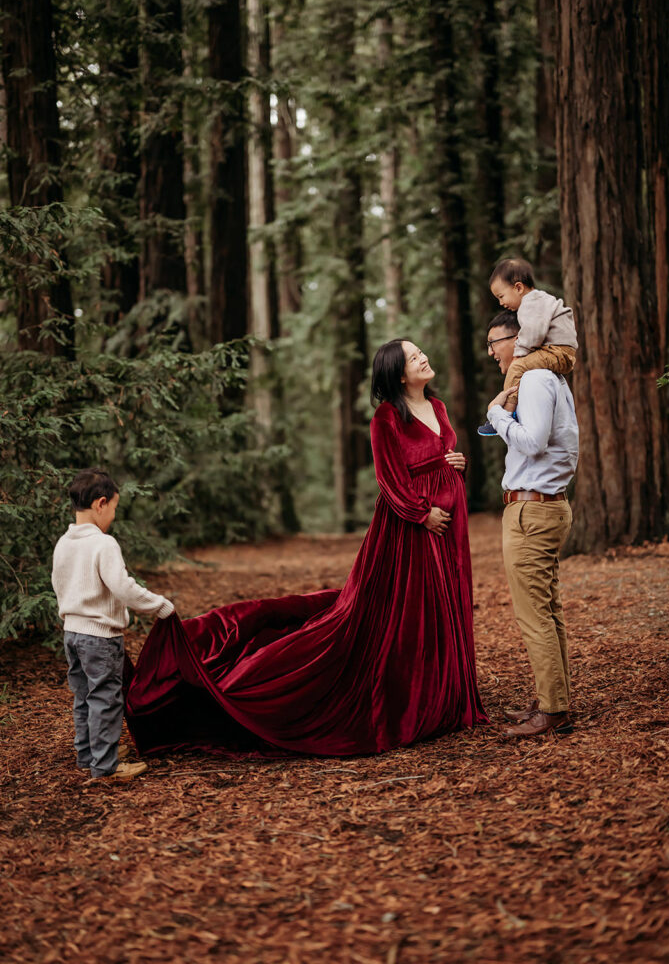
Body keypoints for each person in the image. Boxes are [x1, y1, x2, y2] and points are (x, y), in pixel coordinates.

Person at [125, 340, 488, 757]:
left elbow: (438, 453)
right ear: (398, 375)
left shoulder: (438, 408)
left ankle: (450, 698)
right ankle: (414, 703)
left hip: (449, 524)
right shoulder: (386, 418)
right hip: (411, 528)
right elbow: (389, 480)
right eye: (412, 357)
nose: (424, 356)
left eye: (421, 351)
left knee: (446, 604)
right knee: (408, 612)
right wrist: (421, 513)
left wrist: (452, 463)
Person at [484, 310, 579, 737]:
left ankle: (554, 710)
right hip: (544, 507)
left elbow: (534, 442)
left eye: (495, 343)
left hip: (532, 511)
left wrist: (497, 415)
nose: (492, 353)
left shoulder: (537, 379)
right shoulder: (548, 378)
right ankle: (552, 698)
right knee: (549, 610)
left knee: (534, 615)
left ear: (519, 338)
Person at [51, 468, 175, 781]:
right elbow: (123, 587)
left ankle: (87, 755)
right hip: (100, 637)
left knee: (84, 697)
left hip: (72, 634)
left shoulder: (64, 543)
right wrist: (159, 606)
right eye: (115, 508)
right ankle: (105, 766)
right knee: (106, 699)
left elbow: (58, 583)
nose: (114, 516)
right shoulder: (103, 544)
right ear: (101, 503)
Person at [478, 257, 578, 436]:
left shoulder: (531, 303)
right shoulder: (538, 300)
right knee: (520, 367)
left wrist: (520, 352)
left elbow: (534, 332)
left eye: (501, 296)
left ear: (518, 287)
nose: (501, 303)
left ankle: (506, 414)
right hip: (559, 351)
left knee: (517, 366)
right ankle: (510, 410)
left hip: (557, 351)